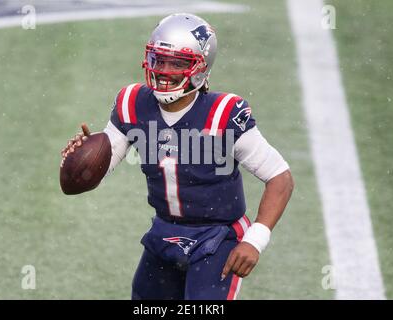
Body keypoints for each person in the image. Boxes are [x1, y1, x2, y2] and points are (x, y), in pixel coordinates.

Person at [61, 13, 294, 300]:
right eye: (160, 60)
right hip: (164, 231)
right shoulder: (132, 103)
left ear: (200, 67)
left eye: (178, 62)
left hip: (217, 237)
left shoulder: (224, 113)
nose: (165, 70)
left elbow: (280, 177)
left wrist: (255, 239)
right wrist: (82, 157)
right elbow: (100, 166)